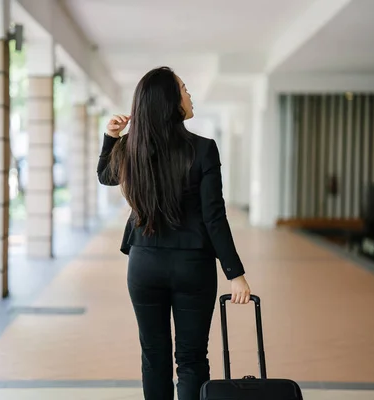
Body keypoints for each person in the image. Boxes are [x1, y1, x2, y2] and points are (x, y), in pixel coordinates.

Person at [97, 66, 251, 400]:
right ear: (170, 100)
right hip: (192, 265)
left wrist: (112, 139)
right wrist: (234, 273)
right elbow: (214, 216)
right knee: (192, 359)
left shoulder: (131, 149)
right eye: (184, 88)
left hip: (144, 263)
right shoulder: (204, 149)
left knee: (154, 358)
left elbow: (106, 177)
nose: (189, 94)